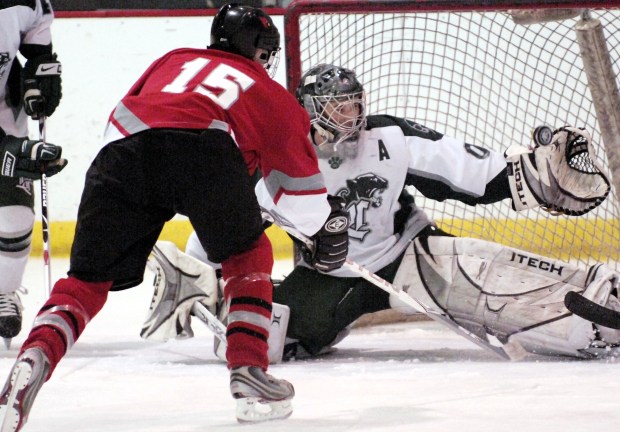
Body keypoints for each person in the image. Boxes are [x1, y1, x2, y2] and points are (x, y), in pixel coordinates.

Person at [0, 5, 349, 430]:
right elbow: (303, 204)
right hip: (205, 152)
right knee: (247, 255)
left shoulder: (172, 60)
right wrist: (326, 229)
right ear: (262, 52)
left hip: (120, 155)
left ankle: (33, 357)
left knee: (86, 283)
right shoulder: (267, 91)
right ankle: (249, 371)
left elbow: (135, 116)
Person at [175, 63, 619, 362]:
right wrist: (198, 279)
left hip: (406, 253)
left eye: (355, 105)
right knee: (264, 341)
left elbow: (472, 173)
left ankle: (603, 299)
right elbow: (220, 231)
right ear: (310, 110)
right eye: (338, 108)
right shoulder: (276, 158)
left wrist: (529, 170)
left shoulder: (390, 138)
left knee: (487, 277)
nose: (352, 116)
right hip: (328, 276)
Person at [0, 0, 63, 343]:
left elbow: (36, 25)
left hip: (4, 112)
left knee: (16, 216)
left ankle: (2, 290)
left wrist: (40, 65)